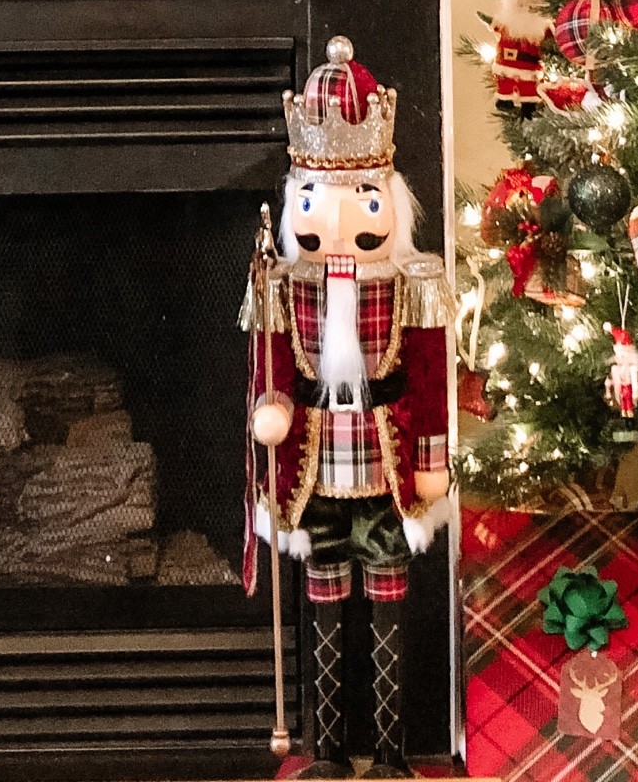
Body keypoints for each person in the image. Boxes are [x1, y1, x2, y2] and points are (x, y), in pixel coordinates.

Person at [245, 38, 450, 776]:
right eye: (314, 203)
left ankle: (391, 755)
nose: (333, 226)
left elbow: (427, 378)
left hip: (386, 463)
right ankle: (329, 752)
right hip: (312, 473)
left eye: (359, 203)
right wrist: (270, 408)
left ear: (387, 203)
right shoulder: (280, 284)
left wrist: (430, 461)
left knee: (390, 595)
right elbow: (268, 366)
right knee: (323, 598)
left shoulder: (412, 282)